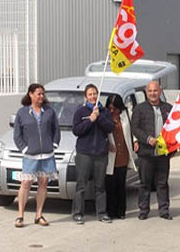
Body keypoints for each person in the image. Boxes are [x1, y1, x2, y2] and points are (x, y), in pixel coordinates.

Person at [12, 83, 60, 228]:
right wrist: (25, 149)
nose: (41, 96)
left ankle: (39, 215)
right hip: (30, 156)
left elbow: (56, 130)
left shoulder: (49, 112)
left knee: (43, 182)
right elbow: (17, 135)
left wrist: (54, 145)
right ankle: (20, 215)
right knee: (25, 183)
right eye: (38, 94)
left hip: (47, 155)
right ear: (30, 94)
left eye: (42, 94)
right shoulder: (22, 113)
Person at [71, 84, 115, 225]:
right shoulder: (80, 112)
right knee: (81, 185)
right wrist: (90, 120)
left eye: (95, 94)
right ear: (86, 96)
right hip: (84, 153)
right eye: (90, 94)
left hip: (100, 154)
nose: (93, 96)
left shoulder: (104, 112)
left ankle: (101, 213)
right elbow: (76, 130)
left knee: (100, 186)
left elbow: (110, 127)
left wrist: (99, 116)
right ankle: (78, 213)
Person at [131, 81, 173, 220]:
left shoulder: (168, 108)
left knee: (162, 182)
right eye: (150, 91)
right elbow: (135, 128)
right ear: (146, 92)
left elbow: (173, 128)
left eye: (155, 91)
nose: (153, 93)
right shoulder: (139, 108)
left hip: (163, 153)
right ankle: (143, 210)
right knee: (144, 183)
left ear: (160, 91)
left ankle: (164, 210)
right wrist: (147, 139)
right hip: (145, 153)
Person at [105, 95, 137, 220]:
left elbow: (132, 130)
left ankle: (121, 211)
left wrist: (135, 141)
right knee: (110, 186)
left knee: (121, 185)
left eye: (115, 109)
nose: (112, 111)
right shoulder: (105, 117)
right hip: (110, 156)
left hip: (123, 153)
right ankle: (111, 211)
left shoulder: (126, 115)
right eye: (110, 108)